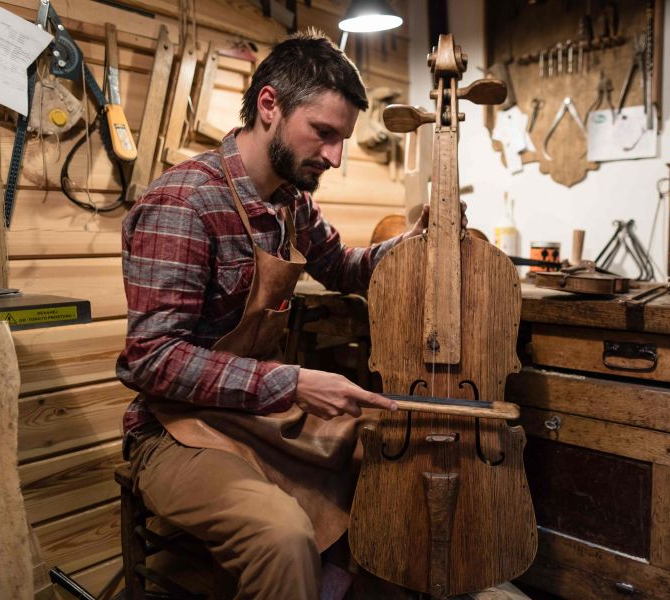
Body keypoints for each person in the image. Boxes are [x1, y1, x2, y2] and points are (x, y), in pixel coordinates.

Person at [117, 31, 440, 600]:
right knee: (283, 534)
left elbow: (344, 268)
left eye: (343, 138)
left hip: (252, 418)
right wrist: (292, 382)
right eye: (324, 133)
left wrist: (416, 241)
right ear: (270, 105)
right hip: (173, 430)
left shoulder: (289, 201)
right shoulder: (183, 203)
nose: (336, 156)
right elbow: (154, 362)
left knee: (397, 458)